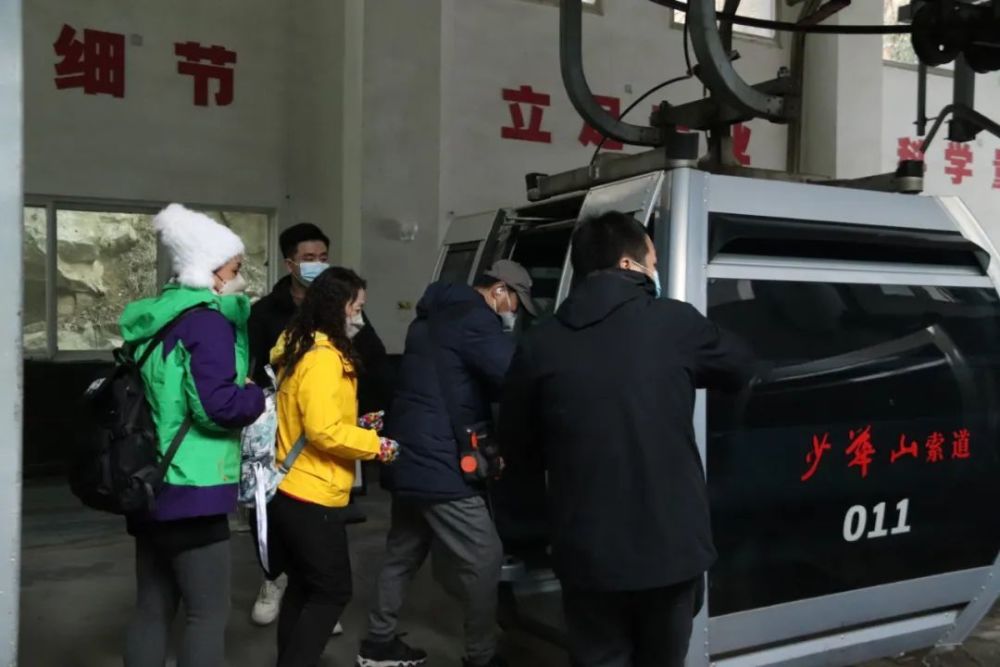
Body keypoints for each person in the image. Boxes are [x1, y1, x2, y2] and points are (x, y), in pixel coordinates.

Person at [499, 211, 754, 667]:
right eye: (653, 263)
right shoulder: (674, 324)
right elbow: (741, 366)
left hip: (586, 553)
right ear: (628, 264)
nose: (655, 271)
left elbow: (518, 447)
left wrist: (534, 533)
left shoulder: (541, 343)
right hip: (671, 548)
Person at [356, 260, 537, 667]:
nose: (514, 312)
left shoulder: (432, 316)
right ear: (499, 291)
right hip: (441, 461)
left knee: (403, 551)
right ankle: (482, 656)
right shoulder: (474, 321)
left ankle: (378, 644)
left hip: (409, 453)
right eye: (515, 303)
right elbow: (513, 376)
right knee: (485, 556)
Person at [120, 203, 266, 667]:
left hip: (147, 477)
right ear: (210, 271)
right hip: (193, 485)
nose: (239, 279)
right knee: (207, 614)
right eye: (235, 270)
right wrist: (254, 395)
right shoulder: (207, 322)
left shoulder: (157, 317)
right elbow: (217, 408)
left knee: (152, 609)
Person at [248, 223, 389, 628]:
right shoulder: (266, 313)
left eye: (323, 257)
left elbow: (374, 362)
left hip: (327, 440)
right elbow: (255, 369)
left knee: (317, 529)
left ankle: (313, 596)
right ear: (289, 262)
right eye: (308, 258)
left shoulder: (346, 309)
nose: (317, 264)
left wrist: (363, 418)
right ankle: (281, 582)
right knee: (283, 519)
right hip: (285, 436)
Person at [267, 266, 399, 667]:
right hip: (313, 493)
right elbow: (323, 431)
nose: (359, 317)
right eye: (356, 307)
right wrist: (377, 446)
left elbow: (311, 416)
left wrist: (356, 425)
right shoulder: (325, 358)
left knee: (304, 587)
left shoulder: (297, 346)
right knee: (332, 591)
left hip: (289, 486)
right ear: (337, 307)